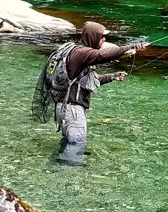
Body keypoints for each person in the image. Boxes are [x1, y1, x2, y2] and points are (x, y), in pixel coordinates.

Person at [53, 21, 148, 164]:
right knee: (77, 142)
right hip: (72, 109)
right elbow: (103, 56)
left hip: (66, 107)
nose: (104, 40)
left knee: (70, 141)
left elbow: (87, 82)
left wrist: (112, 76)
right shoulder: (81, 53)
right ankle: (69, 173)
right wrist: (132, 46)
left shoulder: (79, 54)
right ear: (92, 37)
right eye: (101, 37)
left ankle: (62, 161)